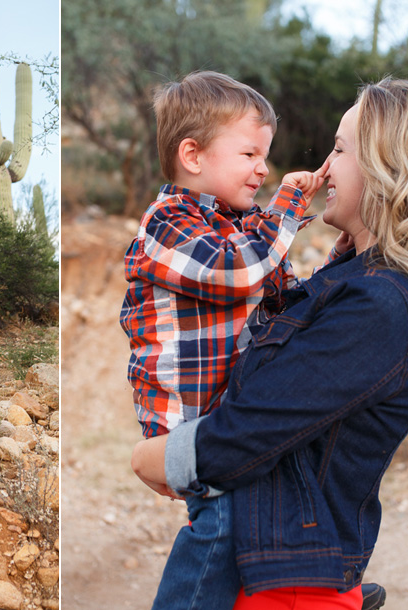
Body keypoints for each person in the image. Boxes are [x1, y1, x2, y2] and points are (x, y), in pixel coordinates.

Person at [131, 78, 408, 610]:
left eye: (341, 148)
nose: (325, 164)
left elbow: (255, 425)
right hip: (270, 569)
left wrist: (160, 458)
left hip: (283, 587)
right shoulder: (354, 283)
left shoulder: (382, 304)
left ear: (387, 170)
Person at [120, 71, 326, 610]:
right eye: (250, 153)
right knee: (219, 526)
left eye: (267, 155)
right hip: (186, 422)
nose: (263, 168)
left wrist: (344, 257)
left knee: (254, 509)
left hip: (231, 412)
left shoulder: (244, 224)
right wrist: (287, 205)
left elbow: (286, 297)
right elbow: (237, 274)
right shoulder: (167, 222)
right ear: (193, 155)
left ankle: (305, 581)